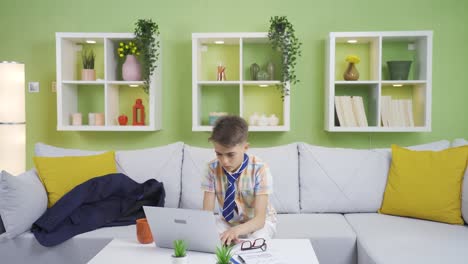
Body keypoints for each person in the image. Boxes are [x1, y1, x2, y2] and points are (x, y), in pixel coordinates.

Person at [201, 115, 277, 246]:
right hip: (228, 222)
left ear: (245, 148)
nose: (224, 161)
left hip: (259, 222)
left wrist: (236, 231)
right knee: (211, 240)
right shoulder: (211, 168)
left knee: (256, 242)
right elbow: (206, 215)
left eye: (230, 154)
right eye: (219, 154)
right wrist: (220, 232)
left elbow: (260, 220)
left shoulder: (260, 169)